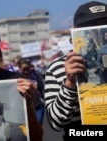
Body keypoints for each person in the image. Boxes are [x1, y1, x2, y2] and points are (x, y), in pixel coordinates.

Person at [44, 1, 107, 140]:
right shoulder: (56, 68)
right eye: (92, 27)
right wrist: (70, 82)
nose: (103, 32)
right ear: (76, 31)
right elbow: (56, 122)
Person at [17, 59, 45, 124]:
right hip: (25, 109)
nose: (26, 71)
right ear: (19, 69)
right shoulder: (17, 78)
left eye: (28, 69)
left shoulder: (35, 75)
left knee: (38, 125)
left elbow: (41, 88)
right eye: (24, 69)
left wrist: (43, 100)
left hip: (38, 106)